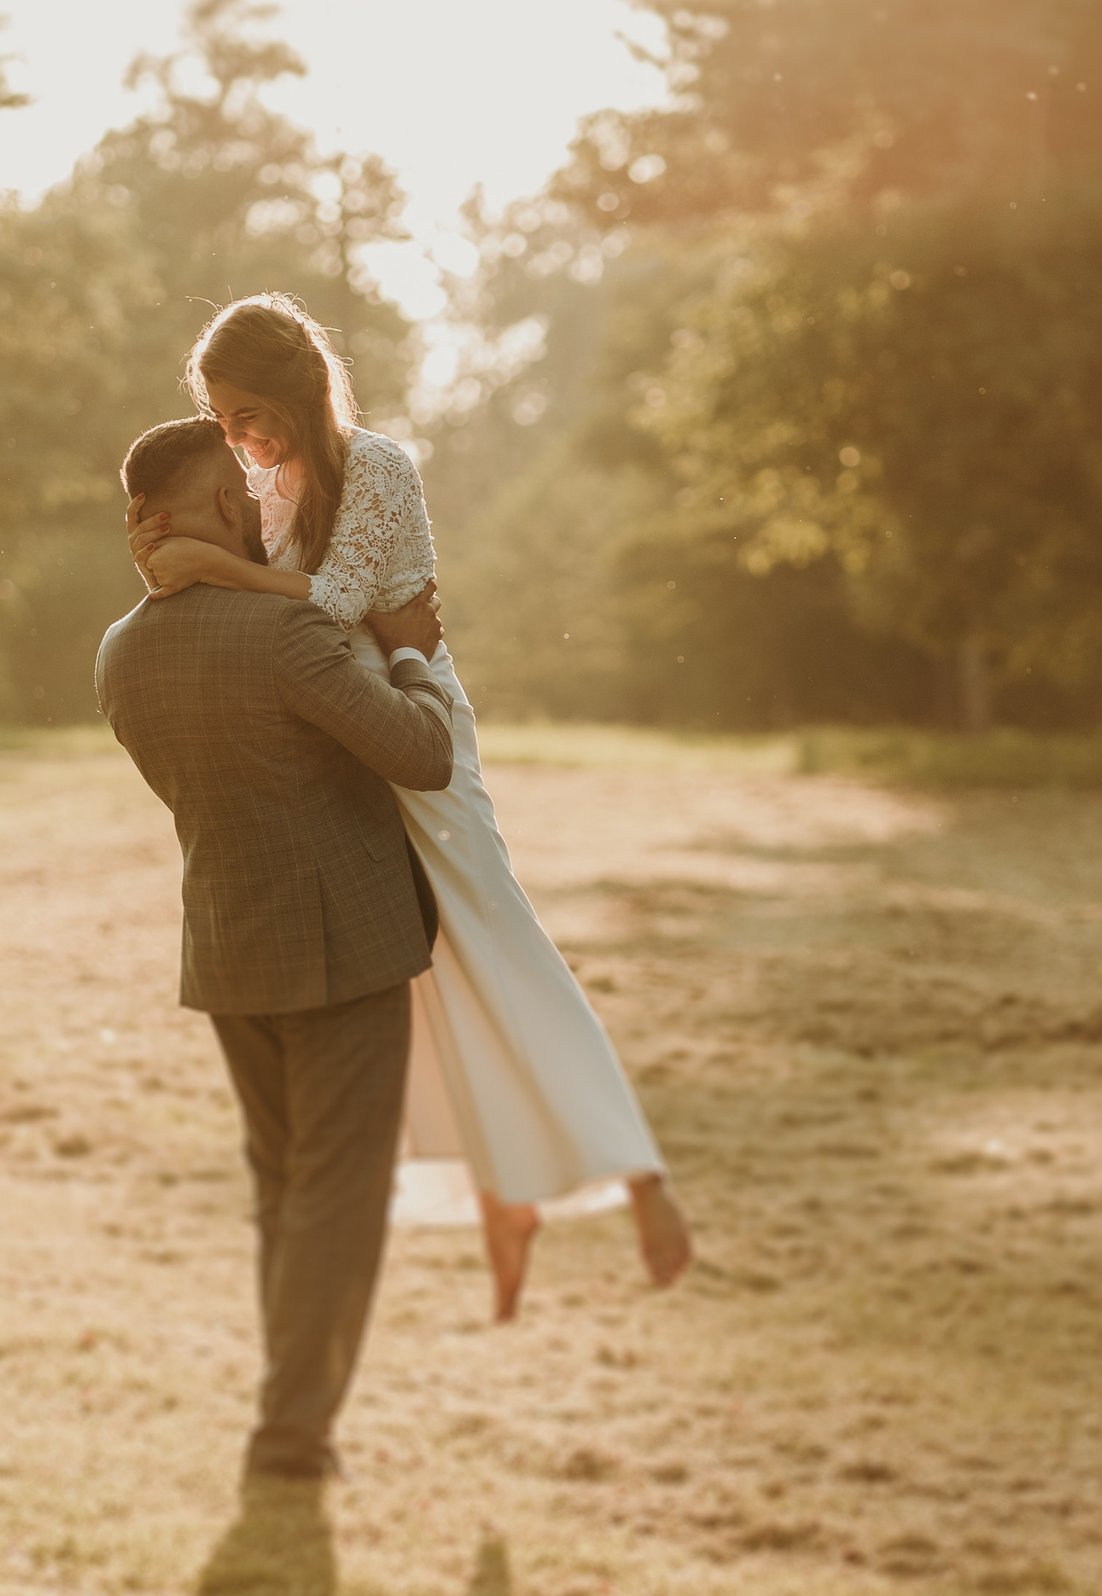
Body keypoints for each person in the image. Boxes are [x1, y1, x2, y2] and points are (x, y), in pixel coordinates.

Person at [125, 292, 693, 1324]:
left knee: (489, 937)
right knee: (411, 979)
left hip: (413, 710)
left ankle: (634, 1169)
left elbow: (341, 606)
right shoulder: (261, 487)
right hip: (335, 730)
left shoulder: (378, 466)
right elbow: (269, 621)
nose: (240, 441)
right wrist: (183, 554)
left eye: (250, 414)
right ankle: (502, 1193)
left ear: (299, 389)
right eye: (222, 422)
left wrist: (211, 565)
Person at [96, 415, 454, 1482]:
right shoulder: (288, 634)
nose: (261, 504)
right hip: (344, 947)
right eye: (245, 492)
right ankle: (291, 1437)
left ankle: (288, 1414)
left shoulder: (119, 653)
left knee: (282, 1191)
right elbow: (422, 753)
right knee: (337, 1195)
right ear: (220, 503)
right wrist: (410, 653)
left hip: (228, 946)